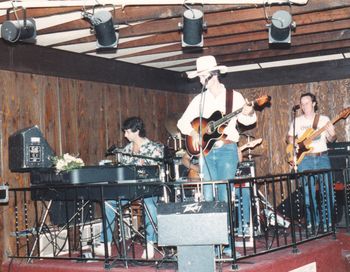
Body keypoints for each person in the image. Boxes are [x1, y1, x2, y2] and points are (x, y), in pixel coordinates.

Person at [177, 55, 257, 254]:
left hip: (227, 150)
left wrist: (247, 111)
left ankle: (227, 245)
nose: (200, 79)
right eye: (199, 75)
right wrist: (194, 132)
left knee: (224, 195)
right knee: (207, 195)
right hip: (206, 152)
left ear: (213, 74)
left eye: (202, 75)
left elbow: (248, 121)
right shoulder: (199, 99)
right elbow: (182, 123)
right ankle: (211, 245)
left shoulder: (233, 96)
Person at [95, 117, 163, 259]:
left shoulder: (154, 148)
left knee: (150, 206)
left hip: (147, 190)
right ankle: (105, 243)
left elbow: (156, 172)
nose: (125, 135)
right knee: (109, 203)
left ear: (137, 131)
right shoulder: (126, 149)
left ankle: (150, 243)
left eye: (127, 132)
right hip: (129, 190)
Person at [287, 92, 336, 231]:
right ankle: (311, 223)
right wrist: (297, 142)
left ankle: (328, 223)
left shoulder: (323, 119)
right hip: (305, 160)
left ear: (314, 103)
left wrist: (332, 133)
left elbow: (331, 139)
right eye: (302, 104)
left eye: (307, 103)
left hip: (322, 158)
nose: (304, 106)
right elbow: (288, 138)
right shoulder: (297, 121)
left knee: (328, 192)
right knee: (308, 194)